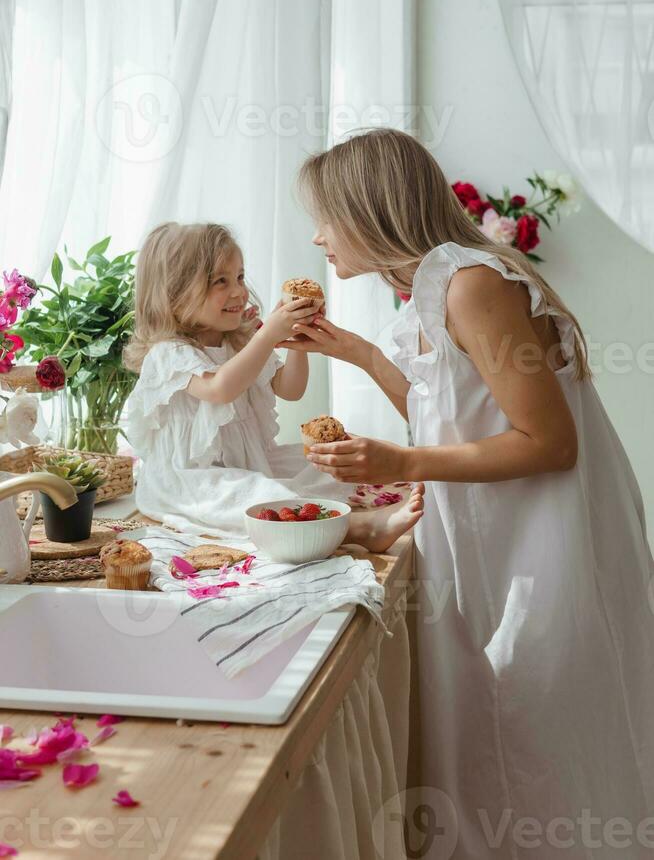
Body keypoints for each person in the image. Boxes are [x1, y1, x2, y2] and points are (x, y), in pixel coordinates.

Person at [285, 129, 654, 858]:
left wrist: (400, 458)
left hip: (546, 553)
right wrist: (358, 356)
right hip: (509, 546)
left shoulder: (471, 283)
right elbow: (448, 413)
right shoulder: (435, 290)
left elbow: (549, 442)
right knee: (519, 740)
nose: (319, 236)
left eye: (326, 215)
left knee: (544, 737)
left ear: (369, 208)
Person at [124, 221, 423, 548]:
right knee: (260, 496)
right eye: (220, 281)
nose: (238, 291)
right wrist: (268, 335)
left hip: (252, 462)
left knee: (320, 465)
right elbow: (220, 389)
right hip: (191, 480)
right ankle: (360, 528)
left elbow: (291, 388)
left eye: (239, 276)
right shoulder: (170, 354)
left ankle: (375, 497)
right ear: (176, 294)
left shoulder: (241, 341)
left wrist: (296, 339)